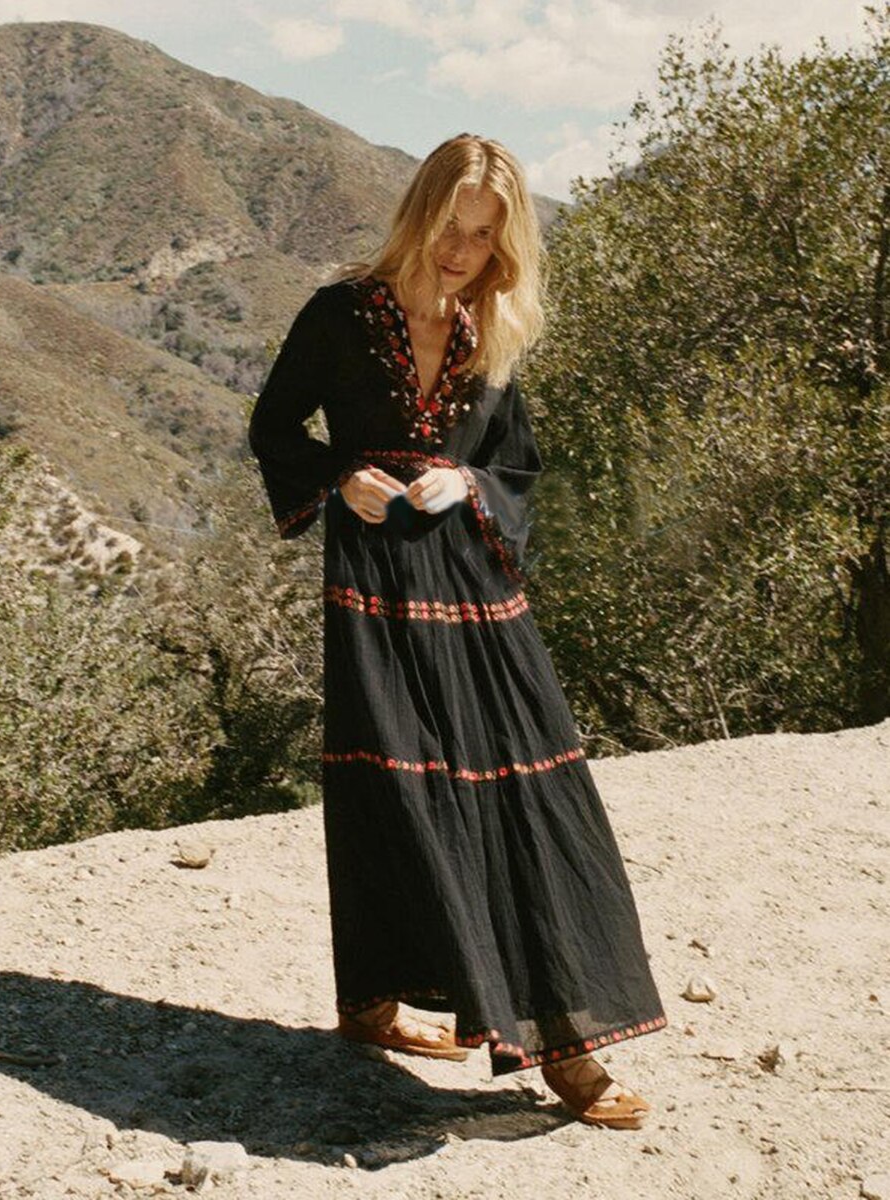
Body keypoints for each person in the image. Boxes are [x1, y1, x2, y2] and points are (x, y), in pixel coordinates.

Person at [248, 133, 667, 1131]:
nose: (461, 251)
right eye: (451, 226)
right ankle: (372, 1006)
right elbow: (273, 428)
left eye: (483, 236)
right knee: (388, 789)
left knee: (531, 790)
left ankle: (568, 1044)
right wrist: (339, 479)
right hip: (373, 580)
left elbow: (515, 466)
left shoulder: (493, 332)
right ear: (419, 213)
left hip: (473, 583)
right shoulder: (339, 312)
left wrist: (467, 481)